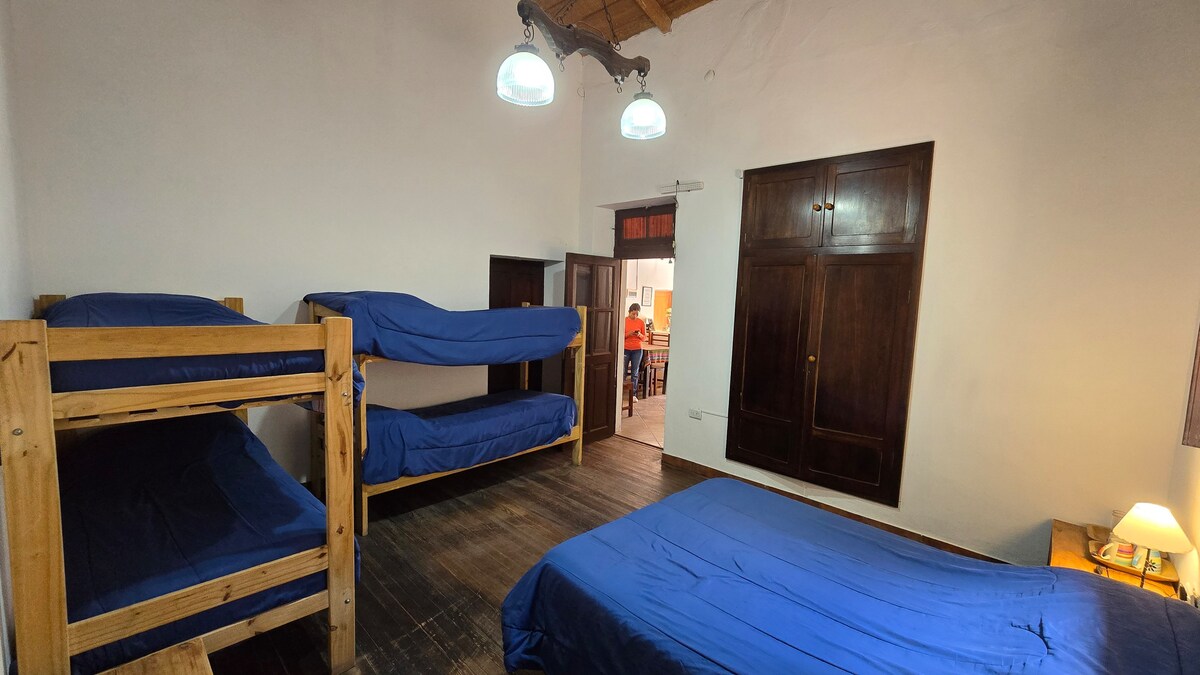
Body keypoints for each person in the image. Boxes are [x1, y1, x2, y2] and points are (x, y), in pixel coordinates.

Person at [624, 303, 646, 401]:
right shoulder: (624, 321)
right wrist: (629, 333)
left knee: (635, 372)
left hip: (637, 349)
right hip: (625, 348)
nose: (635, 316)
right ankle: (621, 391)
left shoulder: (641, 322)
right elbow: (620, 335)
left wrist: (639, 335)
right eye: (633, 314)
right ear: (629, 312)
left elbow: (644, 338)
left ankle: (633, 394)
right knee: (623, 371)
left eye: (637, 314)